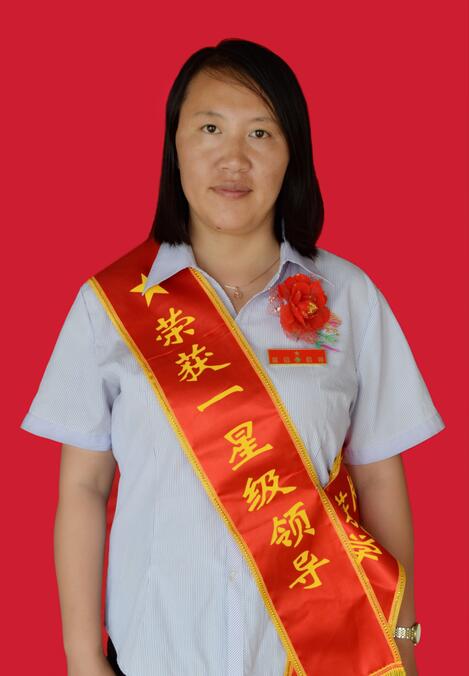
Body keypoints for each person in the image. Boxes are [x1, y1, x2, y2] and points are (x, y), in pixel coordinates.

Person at [20, 38, 445, 676]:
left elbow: (380, 479)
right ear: (175, 146)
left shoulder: (348, 298)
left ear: (292, 153)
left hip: (321, 660)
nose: (234, 159)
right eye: (210, 128)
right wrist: (82, 657)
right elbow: (83, 488)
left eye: (261, 133)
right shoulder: (108, 305)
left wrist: (403, 637)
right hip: (158, 655)